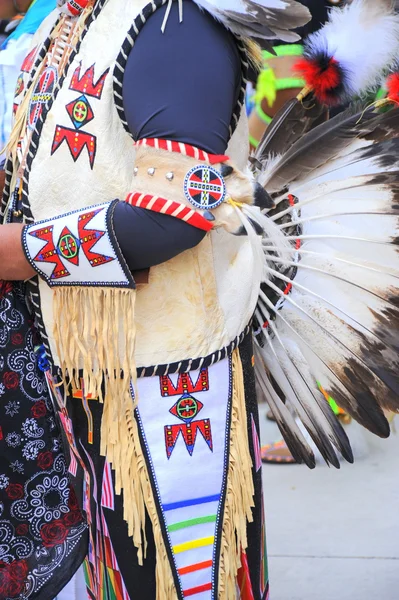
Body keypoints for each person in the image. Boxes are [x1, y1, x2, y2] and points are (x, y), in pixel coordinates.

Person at [0, 0, 398, 599]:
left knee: (177, 578)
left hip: (170, 387)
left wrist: (17, 250)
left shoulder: (175, 24)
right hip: (87, 370)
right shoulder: (74, 20)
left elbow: (174, 218)